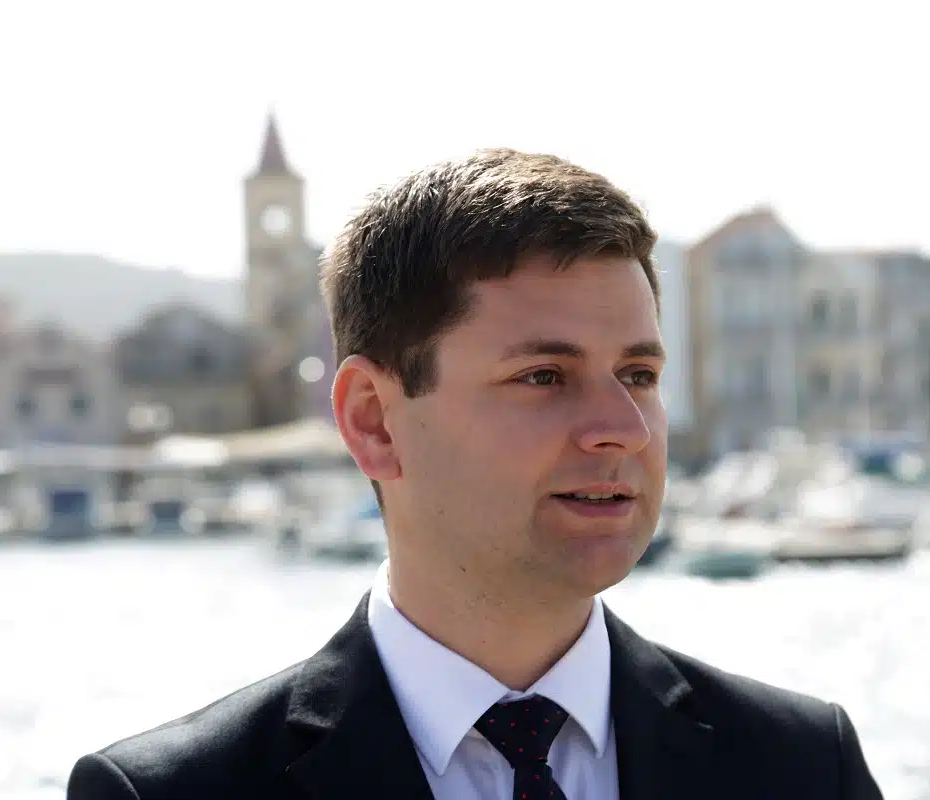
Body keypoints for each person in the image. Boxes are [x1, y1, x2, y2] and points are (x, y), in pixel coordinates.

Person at [67, 148, 883, 800]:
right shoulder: (167, 794)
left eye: (638, 375)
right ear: (373, 421)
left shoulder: (806, 768)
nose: (625, 429)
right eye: (544, 376)